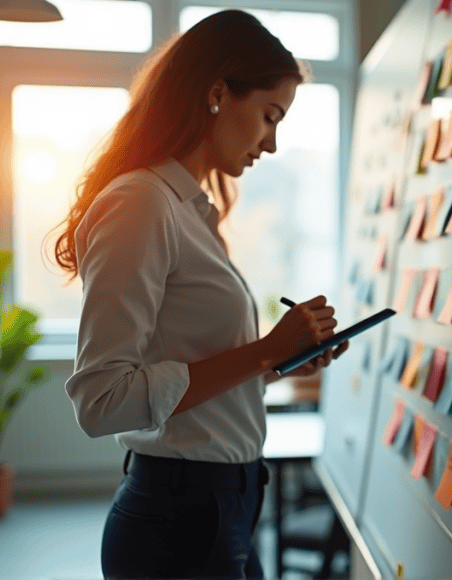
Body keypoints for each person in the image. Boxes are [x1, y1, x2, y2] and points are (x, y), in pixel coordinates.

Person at [51, 10, 347, 579]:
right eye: (269, 116)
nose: (274, 142)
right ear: (217, 94)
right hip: (180, 519)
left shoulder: (189, 210)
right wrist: (263, 352)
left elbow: (194, 370)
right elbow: (101, 401)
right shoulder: (140, 203)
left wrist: (282, 354)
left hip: (222, 505)